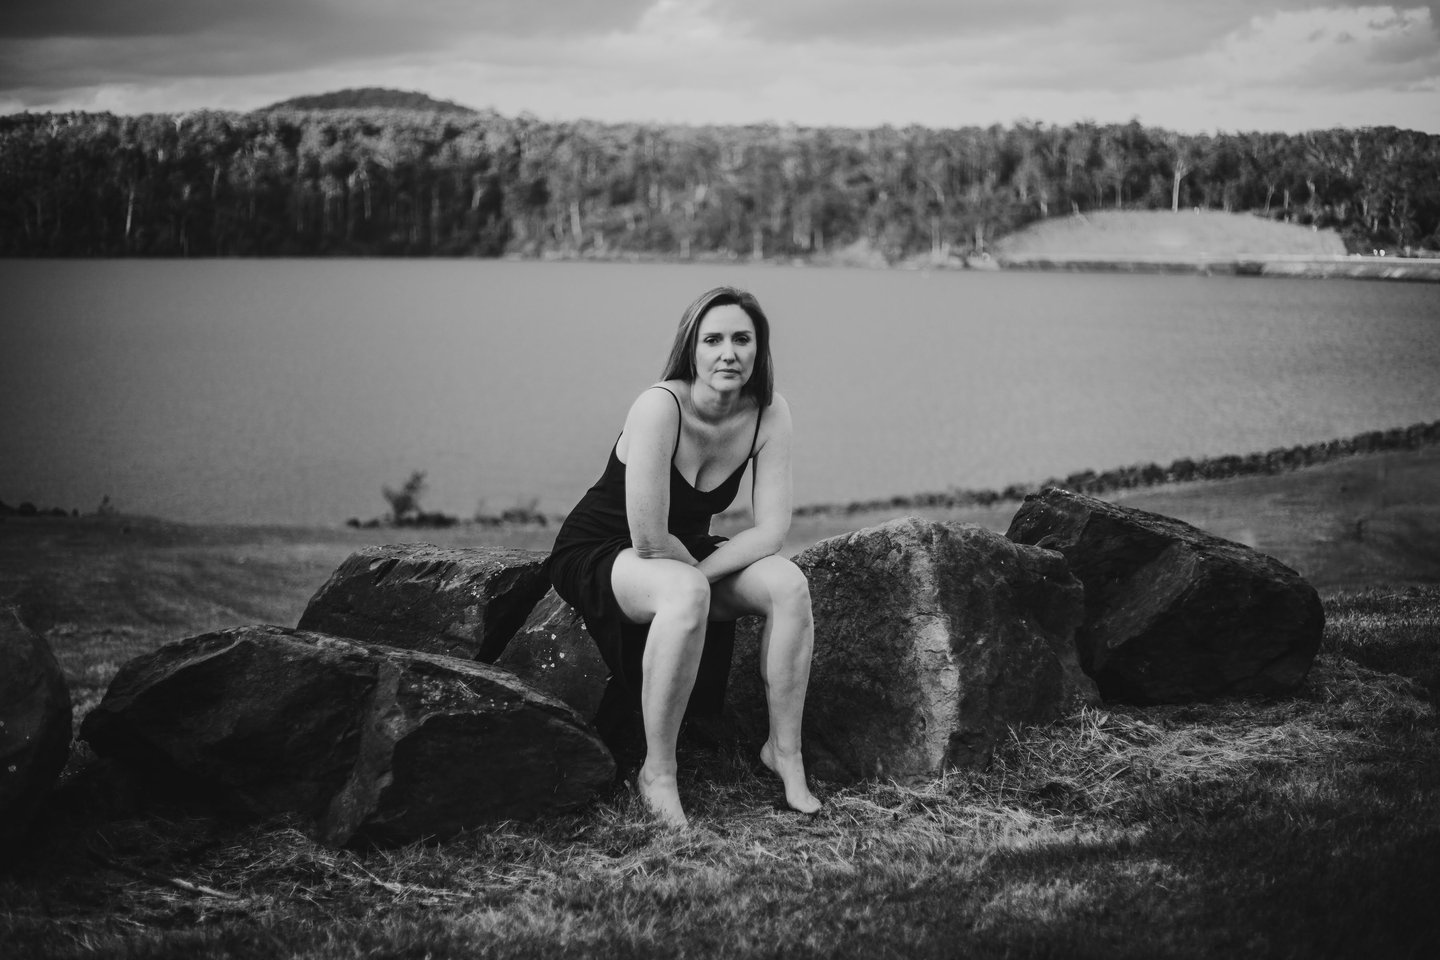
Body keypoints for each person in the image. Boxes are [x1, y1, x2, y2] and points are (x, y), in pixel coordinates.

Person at [547, 286, 821, 828]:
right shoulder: (659, 406)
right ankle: (659, 772)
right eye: (713, 339)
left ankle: (784, 754)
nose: (729, 353)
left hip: (687, 555)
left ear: (759, 349)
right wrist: (696, 580)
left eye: (742, 339)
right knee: (687, 590)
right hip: (607, 547)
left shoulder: (770, 412)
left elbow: (771, 529)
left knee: (788, 584)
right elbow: (647, 538)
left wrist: (702, 572)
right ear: (690, 349)